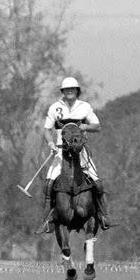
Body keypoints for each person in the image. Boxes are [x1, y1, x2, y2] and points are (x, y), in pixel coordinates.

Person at [35, 77, 117, 234]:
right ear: (63, 92)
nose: (69, 91)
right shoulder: (55, 108)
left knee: (98, 184)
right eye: (66, 89)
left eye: (72, 88)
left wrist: (85, 126)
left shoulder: (84, 107)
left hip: (81, 152)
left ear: (77, 90)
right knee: (48, 184)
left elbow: (97, 126)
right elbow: (46, 129)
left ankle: (103, 216)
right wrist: (51, 144)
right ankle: (48, 220)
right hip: (60, 152)